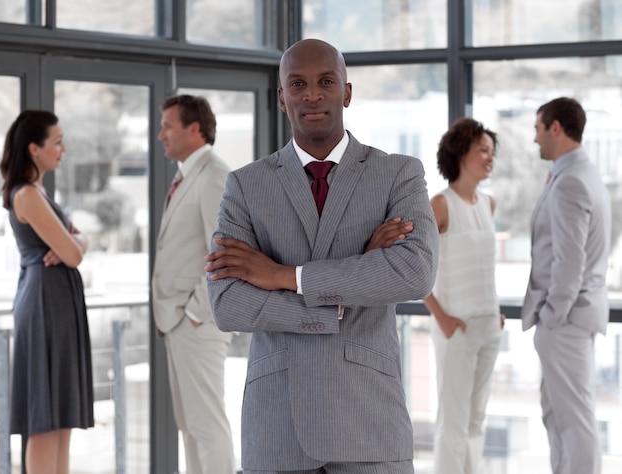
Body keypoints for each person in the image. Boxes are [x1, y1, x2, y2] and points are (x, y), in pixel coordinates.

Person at [205, 38, 439, 474]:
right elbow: (227, 304)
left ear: (346, 92)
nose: (311, 94)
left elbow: (414, 273)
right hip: (276, 428)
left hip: (369, 424)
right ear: (282, 97)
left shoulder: (399, 174)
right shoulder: (246, 185)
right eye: (298, 84)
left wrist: (283, 276)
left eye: (325, 82)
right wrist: (349, 290)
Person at [0, 110, 94, 474]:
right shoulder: (27, 195)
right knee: (45, 418)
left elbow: (78, 243)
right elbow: (72, 252)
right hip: (44, 304)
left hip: (56, 302)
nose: (63, 148)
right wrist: (76, 242)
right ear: (34, 149)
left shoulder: (38, 192)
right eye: (56, 141)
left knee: (61, 416)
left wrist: (77, 241)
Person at [521, 97, 611, 474]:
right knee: (558, 415)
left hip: (567, 321)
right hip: (572, 319)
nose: (535, 138)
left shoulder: (571, 181)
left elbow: (569, 262)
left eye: (538, 129)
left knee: (574, 420)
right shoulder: (578, 173)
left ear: (556, 128)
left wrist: (552, 318)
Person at [151, 94, 235, 474]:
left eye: (167, 126)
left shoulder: (214, 174)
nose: (160, 135)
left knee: (207, 427)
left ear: (194, 129)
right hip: (177, 322)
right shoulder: (186, 174)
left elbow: (224, 253)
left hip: (195, 323)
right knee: (189, 427)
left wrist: (195, 314)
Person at [423, 118, 504, 474]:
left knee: (477, 421)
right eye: (482, 150)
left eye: (491, 151)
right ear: (461, 153)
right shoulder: (440, 205)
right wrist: (440, 317)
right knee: (453, 424)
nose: (490, 157)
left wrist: (495, 313)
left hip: (488, 326)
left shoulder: (489, 205)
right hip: (455, 328)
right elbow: (413, 268)